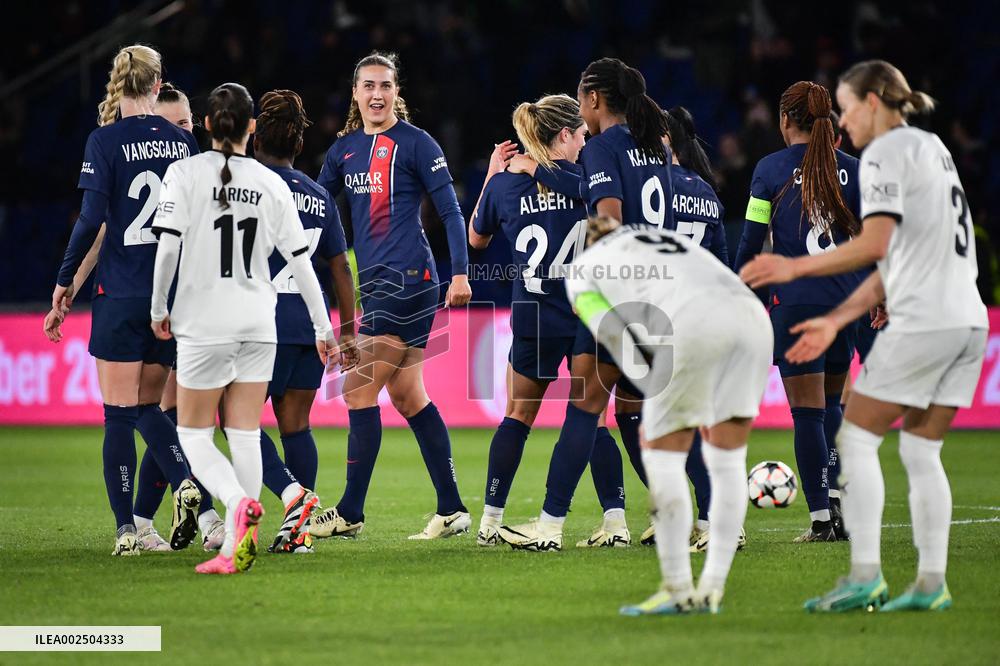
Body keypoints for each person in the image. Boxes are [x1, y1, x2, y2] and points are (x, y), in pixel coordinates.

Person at [741, 60, 988, 612]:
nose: (843, 120)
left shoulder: (882, 154)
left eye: (849, 107)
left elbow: (875, 243)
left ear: (873, 102)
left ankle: (864, 575)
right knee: (922, 451)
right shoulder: (933, 150)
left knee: (853, 437)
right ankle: (929, 584)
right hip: (966, 315)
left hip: (924, 318)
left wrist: (791, 271)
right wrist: (855, 307)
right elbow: (916, 242)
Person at [149, 82, 337, 574]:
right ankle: (237, 545)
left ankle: (235, 502)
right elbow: (303, 265)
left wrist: (157, 307)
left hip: (205, 320)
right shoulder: (274, 185)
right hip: (260, 323)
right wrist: (324, 327)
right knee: (246, 432)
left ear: (207, 124)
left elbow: (167, 248)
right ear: (251, 128)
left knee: (193, 434)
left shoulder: (184, 173)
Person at [498, 57, 672, 551]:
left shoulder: (602, 148)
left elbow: (608, 216)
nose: (580, 110)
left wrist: (592, 285)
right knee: (648, 414)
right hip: (657, 295)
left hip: (615, 299)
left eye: (581, 97)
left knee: (586, 409)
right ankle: (698, 518)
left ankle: (551, 526)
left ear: (594, 99)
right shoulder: (654, 147)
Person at [568, 216, 772, 615]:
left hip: (690, 326)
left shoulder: (583, 270)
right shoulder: (661, 236)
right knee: (727, 458)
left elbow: (613, 335)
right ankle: (712, 589)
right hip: (750, 318)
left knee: (662, 454)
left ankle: (678, 589)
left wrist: (655, 396)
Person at [46, 46, 203, 557]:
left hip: (118, 293)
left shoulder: (104, 140)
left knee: (119, 415)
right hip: (169, 299)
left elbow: (92, 221)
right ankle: (186, 484)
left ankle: (126, 533)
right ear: (158, 87)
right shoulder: (184, 143)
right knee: (152, 408)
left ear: (118, 85)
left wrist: (66, 281)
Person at [311, 52, 472, 541]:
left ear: (396, 92)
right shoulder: (342, 153)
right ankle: (452, 508)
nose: (377, 94)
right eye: (368, 86)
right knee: (408, 394)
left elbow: (450, 212)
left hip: (408, 280)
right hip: (378, 284)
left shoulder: (417, 144)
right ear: (355, 93)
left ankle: (350, 512)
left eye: (385, 85)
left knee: (358, 391)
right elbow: (316, 209)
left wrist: (460, 274)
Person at [733, 81, 863, 542]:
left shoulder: (770, 170)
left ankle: (821, 521)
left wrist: (737, 293)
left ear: (785, 120)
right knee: (832, 407)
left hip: (796, 305)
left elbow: (751, 242)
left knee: (807, 414)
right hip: (844, 306)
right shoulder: (852, 170)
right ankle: (840, 508)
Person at [467, 94, 588, 546]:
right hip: (581, 316)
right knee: (586, 415)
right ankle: (613, 520)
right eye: (580, 135)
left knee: (517, 417)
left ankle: (489, 523)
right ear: (563, 134)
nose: (583, 143)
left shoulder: (505, 185)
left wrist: (493, 177)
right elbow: (592, 194)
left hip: (532, 316)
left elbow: (475, 238)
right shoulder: (587, 178)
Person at [252, 89, 358, 553]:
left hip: (255, 323)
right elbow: (340, 267)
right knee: (295, 422)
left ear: (256, 136)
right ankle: (296, 532)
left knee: (228, 417)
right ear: (299, 144)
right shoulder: (318, 195)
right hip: (307, 326)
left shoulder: (245, 185)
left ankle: (290, 494)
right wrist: (348, 330)